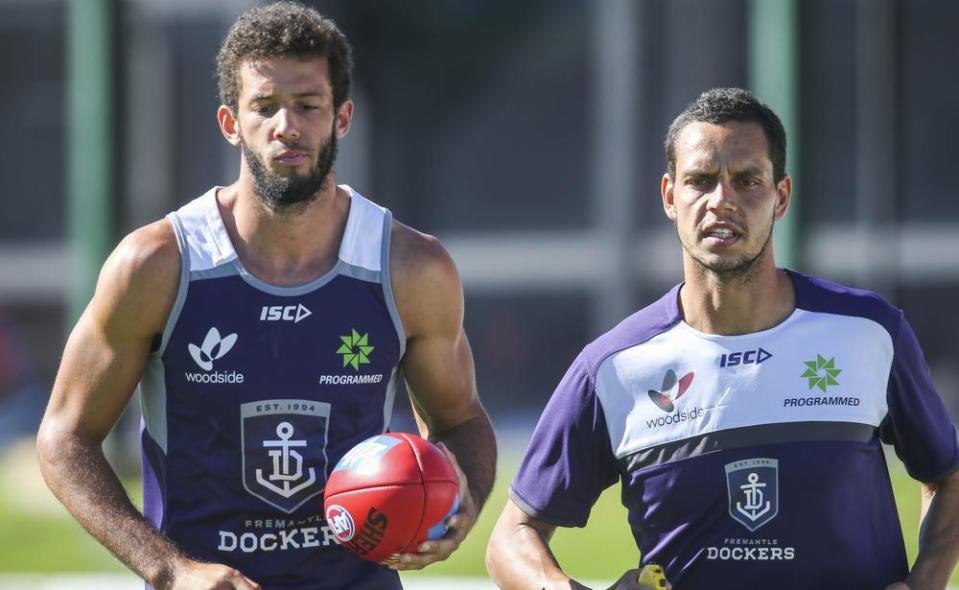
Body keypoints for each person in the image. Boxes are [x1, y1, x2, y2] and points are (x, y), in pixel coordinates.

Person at [36, 2, 496, 589]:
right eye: (265, 106)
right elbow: (64, 437)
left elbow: (461, 419)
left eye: (308, 105)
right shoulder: (158, 265)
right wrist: (171, 569)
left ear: (342, 117)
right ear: (231, 122)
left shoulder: (410, 268)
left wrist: (460, 506)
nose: (287, 125)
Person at [486, 88, 959, 589]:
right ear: (671, 196)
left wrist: (923, 584)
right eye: (701, 180)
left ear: (781, 196)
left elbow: (948, 477)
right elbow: (511, 537)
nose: (722, 201)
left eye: (747, 180)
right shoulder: (614, 368)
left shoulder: (870, 331)